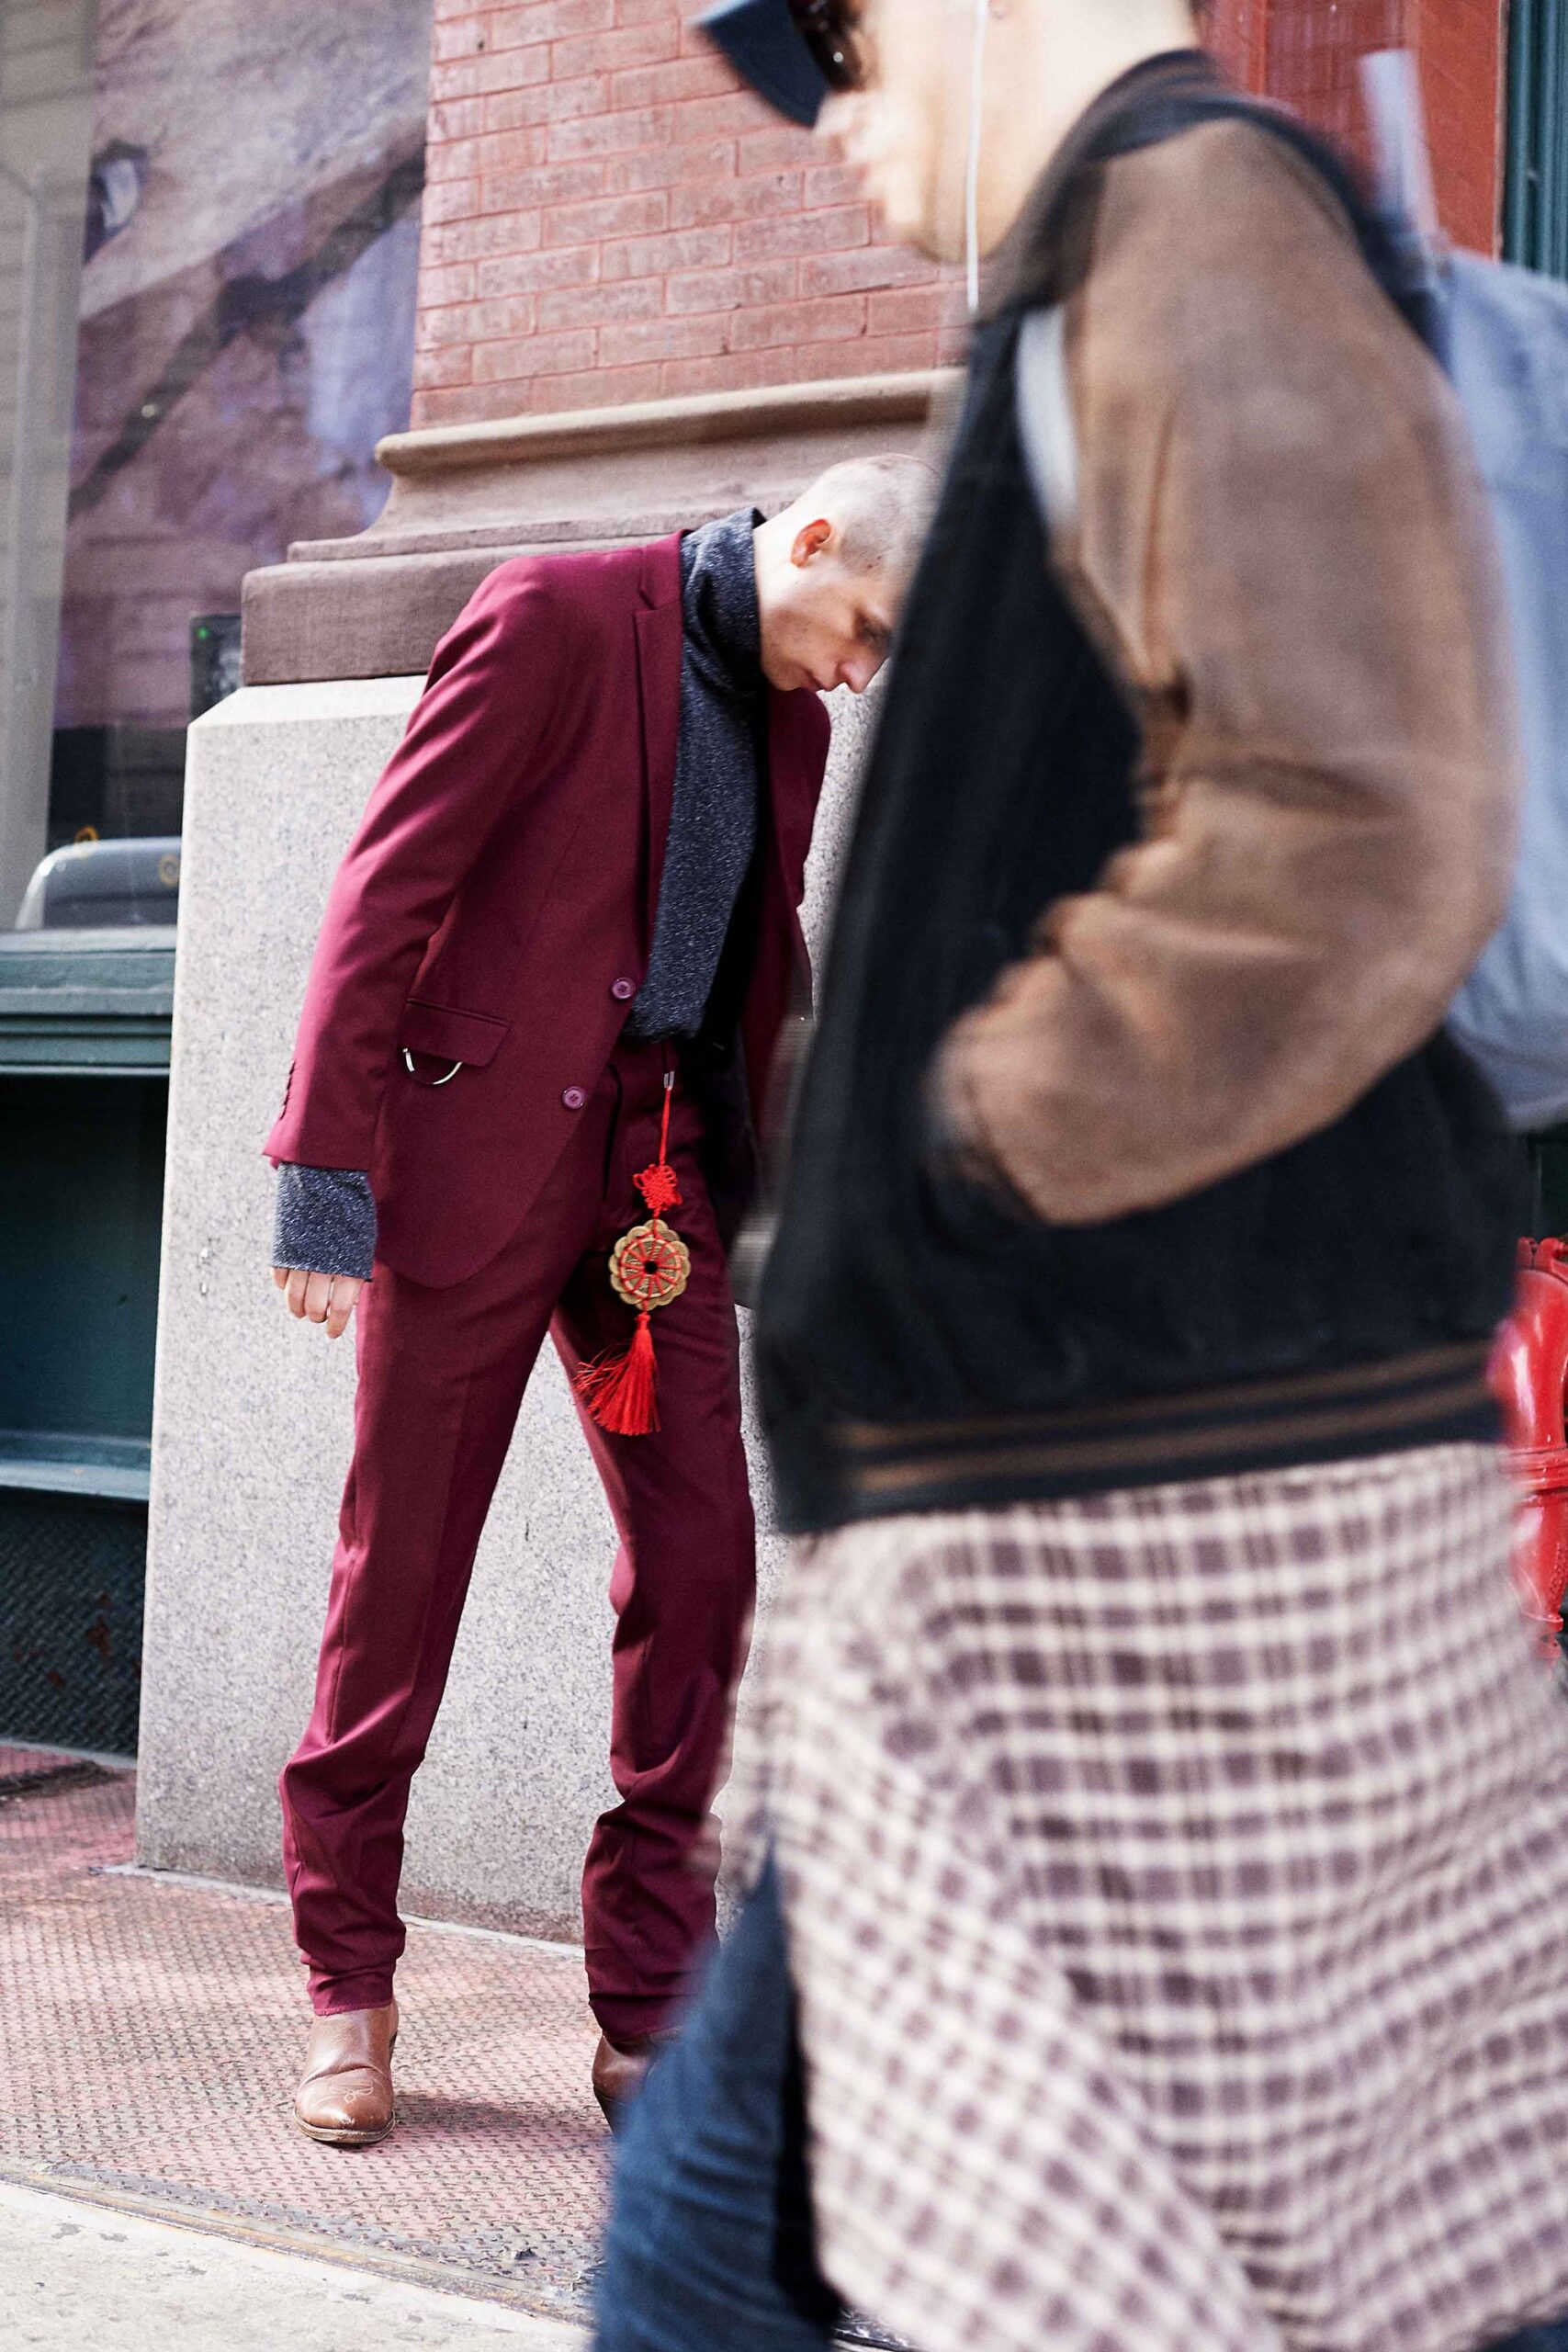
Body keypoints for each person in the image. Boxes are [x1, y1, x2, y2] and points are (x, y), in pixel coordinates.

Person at [594, 4, 1568, 2349]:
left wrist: (959, 1143)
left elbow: (1357, 820)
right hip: (1040, 1535)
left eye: (822, 45)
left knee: (722, 2266)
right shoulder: (1112, 264)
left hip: (1128, 1540)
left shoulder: (1190, 224)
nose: (826, 121)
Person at [267, 461, 926, 2145]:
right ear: (815, 543)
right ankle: (348, 1979)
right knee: (399, 1577)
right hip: (481, 1161)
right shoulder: (553, 617)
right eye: (858, 633)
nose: (853, 673)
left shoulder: (800, 724)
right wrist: (325, 1177)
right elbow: (384, 891)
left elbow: (766, 965)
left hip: (657, 1191)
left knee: (704, 1572)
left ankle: (651, 2000)